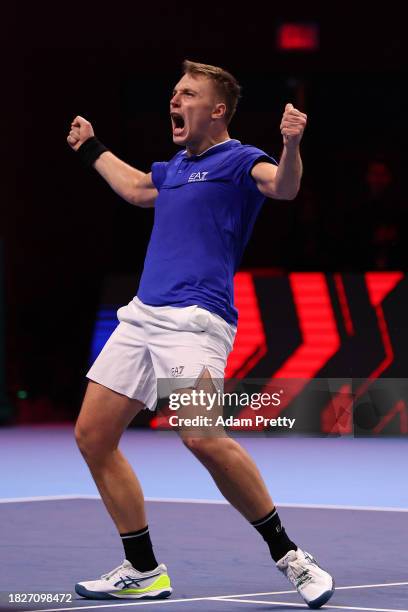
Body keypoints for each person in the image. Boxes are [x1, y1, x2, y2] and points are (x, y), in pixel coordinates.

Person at [67, 60, 334, 609]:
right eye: (173, 92)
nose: (174, 100)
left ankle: (291, 555)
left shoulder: (241, 161)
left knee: (202, 438)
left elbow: (283, 188)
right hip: (142, 316)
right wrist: (92, 148)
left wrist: (290, 145)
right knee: (93, 436)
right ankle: (143, 570)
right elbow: (140, 189)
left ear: (216, 110)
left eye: (186, 93)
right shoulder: (172, 168)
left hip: (196, 320)